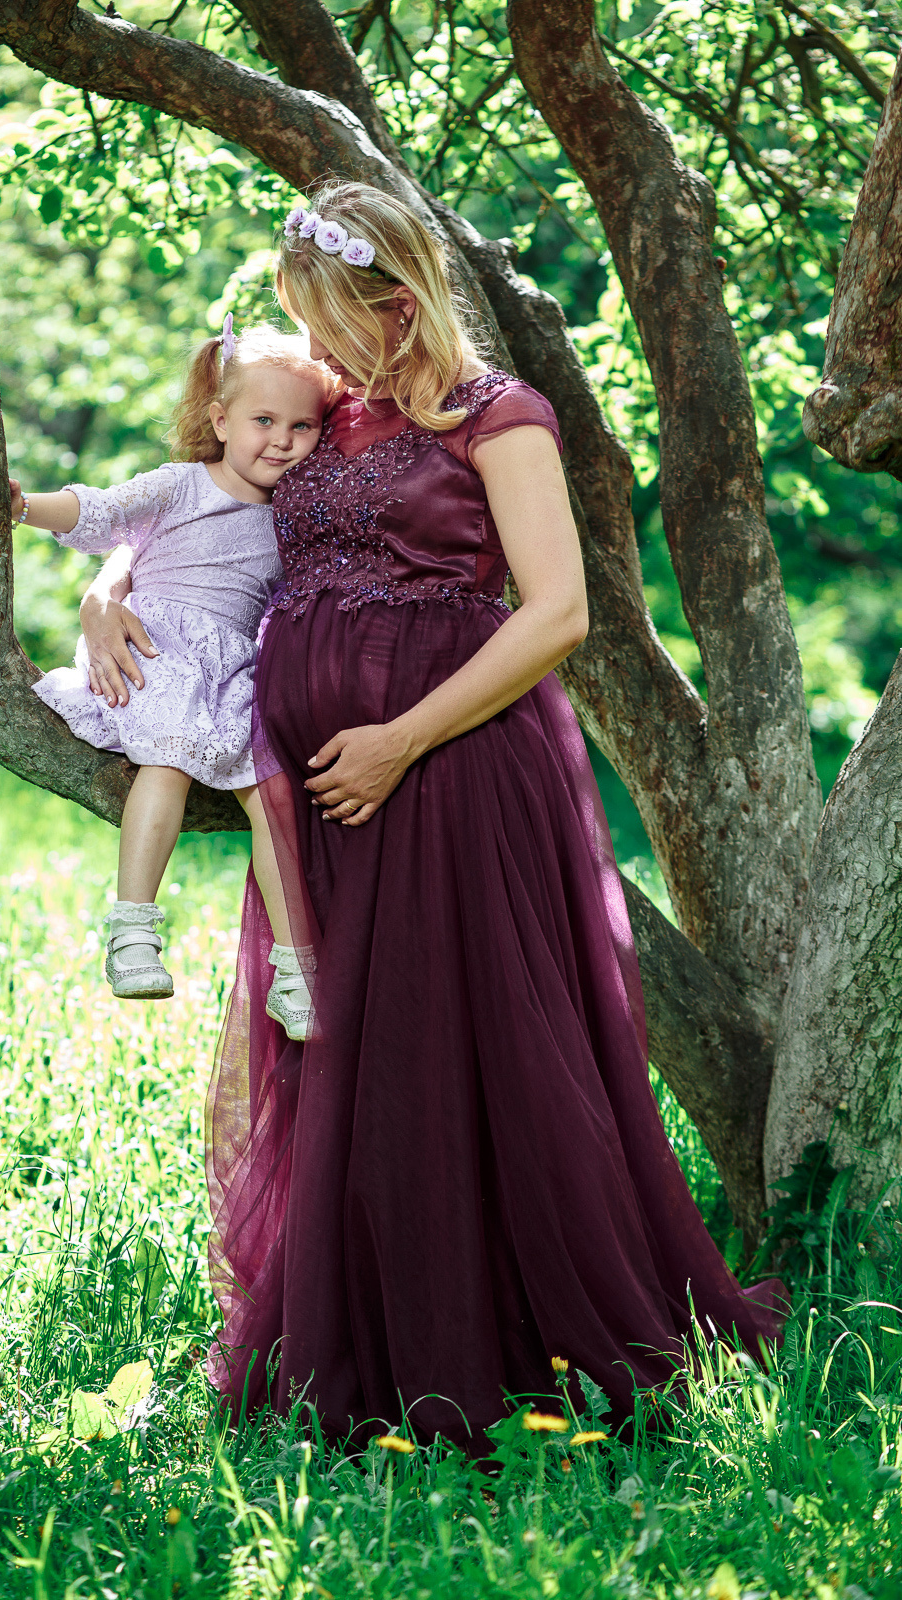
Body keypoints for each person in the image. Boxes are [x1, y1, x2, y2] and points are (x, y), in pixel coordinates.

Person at [83, 183, 786, 1449]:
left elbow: (556, 611)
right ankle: (367, 1340)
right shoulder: (318, 415)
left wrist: (401, 738)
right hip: (319, 791)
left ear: (398, 303)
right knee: (349, 1050)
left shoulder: (496, 416)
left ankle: (505, 1349)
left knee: (459, 1044)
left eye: (329, 317)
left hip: (454, 766)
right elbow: (197, 501)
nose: (316, 345)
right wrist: (109, 586)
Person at [14, 322, 333, 1035]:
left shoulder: (295, 518)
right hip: (156, 652)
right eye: (262, 421)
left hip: (233, 671)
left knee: (274, 791)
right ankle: (132, 932)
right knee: (170, 756)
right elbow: (100, 511)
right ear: (219, 420)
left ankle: (295, 970)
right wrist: (24, 506)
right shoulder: (182, 486)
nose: (281, 441)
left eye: (301, 426)